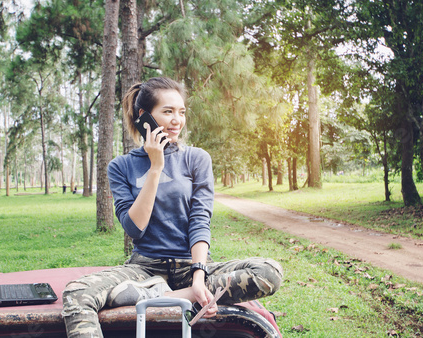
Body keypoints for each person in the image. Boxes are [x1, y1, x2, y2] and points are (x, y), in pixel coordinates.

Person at [61, 77, 283, 337]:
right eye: (167, 112)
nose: (177, 120)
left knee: (270, 271)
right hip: (145, 268)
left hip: (194, 267)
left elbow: (200, 220)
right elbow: (135, 229)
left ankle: (167, 294)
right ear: (145, 117)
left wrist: (198, 279)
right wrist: (156, 167)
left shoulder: (196, 159)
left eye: (181, 112)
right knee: (76, 293)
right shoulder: (120, 167)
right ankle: (158, 291)